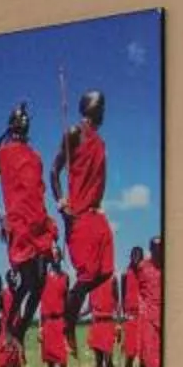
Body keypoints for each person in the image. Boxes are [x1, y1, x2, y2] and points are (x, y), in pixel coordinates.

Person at [0, 102, 56, 342]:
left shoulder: (36, 156)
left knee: (40, 282)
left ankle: (20, 330)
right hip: (19, 224)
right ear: (12, 122)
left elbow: (38, 191)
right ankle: (10, 328)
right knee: (27, 280)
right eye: (20, 116)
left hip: (39, 223)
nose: (25, 119)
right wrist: (1, 216)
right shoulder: (2, 153)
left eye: (27, 117)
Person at [54, 88, 115, 348]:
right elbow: (54, 171)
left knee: (106, 271)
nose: (104, 110)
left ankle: (72, 303)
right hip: (77, 214)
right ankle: (67, 324)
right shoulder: (73, 133)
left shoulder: (100, 143)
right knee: (88, 273)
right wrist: (61, 202)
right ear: (89, 107)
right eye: (101, 106)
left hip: (96, 213)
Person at [38, 257, 72, 367]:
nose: (56, 258)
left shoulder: (66, 277)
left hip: (60, 321)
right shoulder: (44, 277)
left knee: (63, 360)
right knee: (50, 361)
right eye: (53, 256)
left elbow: (67, 300)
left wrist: (68, 321)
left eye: (58, 255)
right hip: (47, 322)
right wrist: (40, 326)